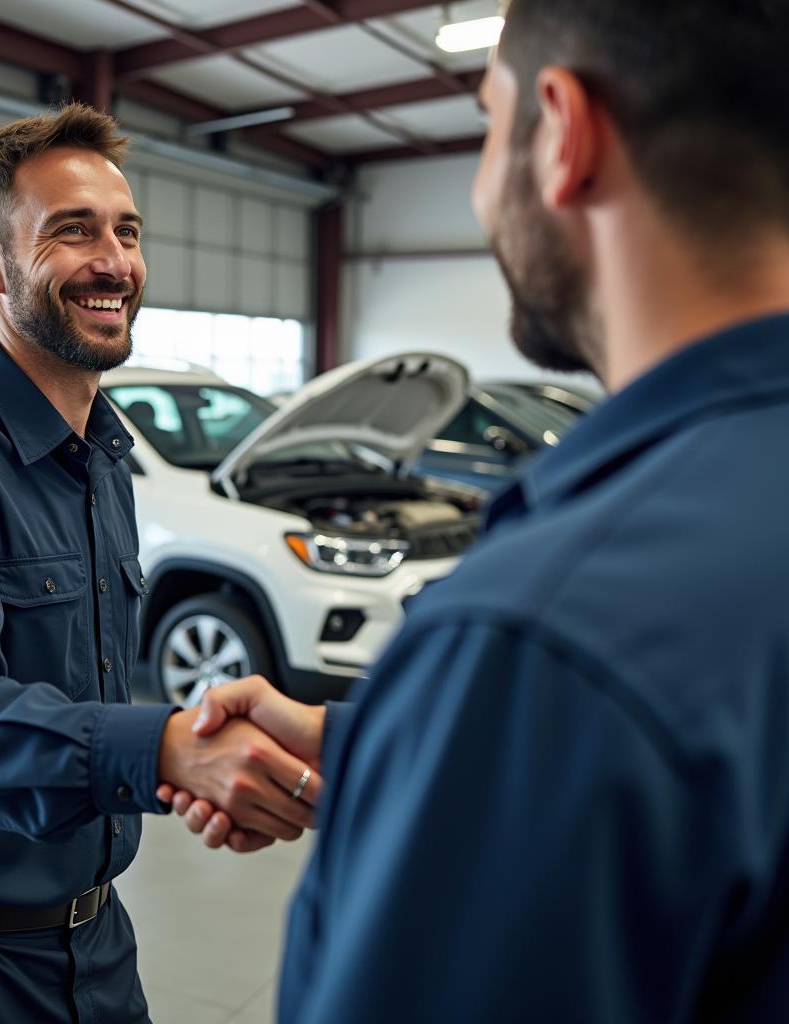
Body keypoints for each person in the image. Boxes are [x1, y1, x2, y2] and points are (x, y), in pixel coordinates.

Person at [162, 1, 789, 1020]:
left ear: (564, 133)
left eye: (488, 122)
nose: (479, 181)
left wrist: (466, 716)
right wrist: (376, 737)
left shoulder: (546, 631)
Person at [0, 105, 320, 1024]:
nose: (115, 261)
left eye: (126, 231)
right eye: (72, 231)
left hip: (95, 947)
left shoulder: (103, 459)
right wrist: (165, 748)